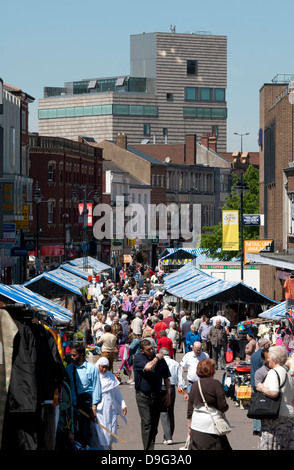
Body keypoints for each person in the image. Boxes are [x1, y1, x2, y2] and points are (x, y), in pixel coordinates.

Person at [133, 339, 171, 450]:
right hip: (143, 396)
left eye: (152, 348)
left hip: (157, 396)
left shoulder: (159, 360)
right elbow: (148, 367)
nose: (151, 351)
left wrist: (168, 394)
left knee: (154, 425)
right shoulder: (139, 358)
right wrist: (157, 358)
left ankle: (151, 446)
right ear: (142, 351)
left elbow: (166, 377)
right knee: (147, 423)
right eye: (148, 349)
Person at [187, 358, 232, 450]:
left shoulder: (195, 384)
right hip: (211, 424)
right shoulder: (216, 384)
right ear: (212, 370)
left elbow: (190, 407)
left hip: (197, 423)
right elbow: (222, 406)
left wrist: (189, 424)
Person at [256, 346, 294, 450]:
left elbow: (274, 393)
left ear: (275, 359)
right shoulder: (288, 375)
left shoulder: (274, 373)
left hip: (275, 417)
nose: (267, 360)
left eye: (269, 357)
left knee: (270, 446)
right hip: (288, 417)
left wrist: (261, 387)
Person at [66, 344, 102, 447]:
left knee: (85, 434)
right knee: (73, 437)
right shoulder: (68, 369)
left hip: (85, 408)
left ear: (82, 355)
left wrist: (94, 407)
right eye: (71, 355)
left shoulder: (91, 369)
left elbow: (96, 388)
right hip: (71, 408)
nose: (72, 357)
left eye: (74, 355)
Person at [92, 357, 127, 450]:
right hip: (99, 411)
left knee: (111, 432)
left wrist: (123, 404)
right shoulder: (94, 377)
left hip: (111, 410)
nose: (104, 369)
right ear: (98, 365)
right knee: (101, 434)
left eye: (106, 367)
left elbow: (116, 393)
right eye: (102, 367)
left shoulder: (111, 377)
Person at [159, 347, 187, 445]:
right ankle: (169, 435)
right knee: (170, 411)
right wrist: (184, 391)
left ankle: (167, 436)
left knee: (162, 411)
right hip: (172, 388)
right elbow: (181, 378)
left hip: (161, 387)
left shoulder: (159, 362)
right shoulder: (175, 363)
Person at [249, 338, 271, 436]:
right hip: (261, 383)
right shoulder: (263, 355)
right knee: (262, 405)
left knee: (256, 404)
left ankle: (256, 428)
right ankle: (260, 428)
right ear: (264, 345)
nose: (269, 345)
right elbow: (265, 369)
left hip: (254, 382)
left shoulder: (254, 355)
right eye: (268, 344)